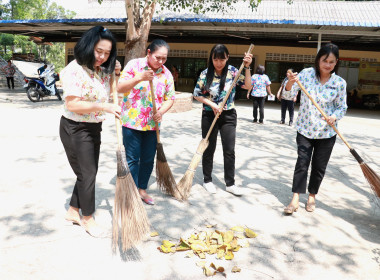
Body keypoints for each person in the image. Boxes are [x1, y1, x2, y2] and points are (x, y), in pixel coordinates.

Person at [59, 26, 121, 236]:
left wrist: (115, 71)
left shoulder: (100, 71)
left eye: (107, 53)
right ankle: (87, 218)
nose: (102, 57)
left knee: (87, 172)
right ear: (87, 47)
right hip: (75, 127)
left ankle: (73, 211)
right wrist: (105, 107)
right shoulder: (74, 70)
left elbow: (113, 89)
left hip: (94, 127)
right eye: (98, 51)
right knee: (88, 173)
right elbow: (73, 105)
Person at [283, 43, 347, 214]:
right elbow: (287, 94)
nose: (328, 65)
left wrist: (334, 116)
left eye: (332, 62)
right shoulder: (305, 75)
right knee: (302, 163)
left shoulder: (339, 83)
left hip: (327, 132)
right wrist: (290, 83)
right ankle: (295, 197)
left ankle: (312, 195)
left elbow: (342, 107)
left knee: (319, 166)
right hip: (305, 129)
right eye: (325, 60)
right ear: (318, 59)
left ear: (336, 63)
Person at [117, 39, 175, 205]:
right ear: (148, 53)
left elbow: (170, 98)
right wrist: (139, 78)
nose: (161, 61)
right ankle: (132, 191)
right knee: (132, 158)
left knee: (148, 158)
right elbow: (120, 88)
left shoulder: (166, 73)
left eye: (164, 58)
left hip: (152, 124)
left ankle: (142, 189)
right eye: (158, 57)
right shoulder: (134, 65)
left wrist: (161, 111)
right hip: (132, 122)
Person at [193, 44, 252, 195]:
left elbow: (247, 85)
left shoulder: (233, 71)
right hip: (209, 114)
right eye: (215, 59)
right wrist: (212, 105)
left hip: (228, 115)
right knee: (208, 148)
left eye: (222, 59)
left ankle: (230, 184)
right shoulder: (206, 73)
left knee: (229, 150)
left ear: (227, 58)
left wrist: (247, 67)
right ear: (211, 59)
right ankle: (207, 180)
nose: (219, 63)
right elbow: (197, 94)